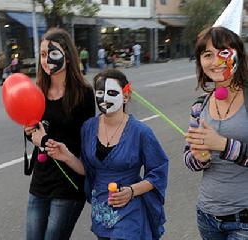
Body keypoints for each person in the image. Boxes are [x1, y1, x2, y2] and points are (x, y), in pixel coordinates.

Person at [45, 69, 169, 240]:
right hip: (101, 211)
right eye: (100, 92)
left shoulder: (141, 132)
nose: (104, 98)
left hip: (130, 212)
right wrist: (66, 156)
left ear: (126, 96)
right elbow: (87, 170)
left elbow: (158, 171)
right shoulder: (88, 127)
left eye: (111, 93)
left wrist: (131, 191)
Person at [23, 28, 96, 240]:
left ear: (67, 55)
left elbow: (86, 142)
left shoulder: (83, 94)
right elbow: (35, 135)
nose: (45, 61)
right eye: (43, 55)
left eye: (51, 53)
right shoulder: (37, 92)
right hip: (41, 180)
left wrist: (45, 141)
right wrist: (30, 132)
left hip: (69, 183)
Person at [184, 26, 248, 240]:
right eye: (207, 55)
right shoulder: (199, 106)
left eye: (223, 52)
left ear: (238, 54)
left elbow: (223, 146)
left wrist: (223, 145)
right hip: (207, 215)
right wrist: (199, 157)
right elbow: (188, 159)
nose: (215, 61)